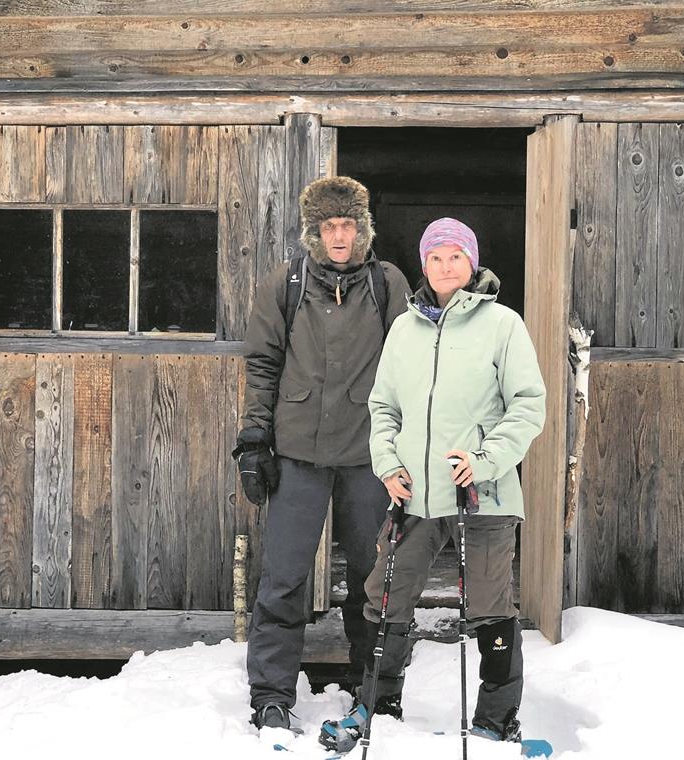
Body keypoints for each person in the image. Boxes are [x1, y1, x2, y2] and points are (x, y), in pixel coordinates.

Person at [320, 217, 546, 751]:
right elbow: (383, 407)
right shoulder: (405, 328)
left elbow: (528, 405)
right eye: (436, 257)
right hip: (414, 494)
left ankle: (495, 719)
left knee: (491, 604)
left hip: (481, 494)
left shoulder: (503, 325)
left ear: (472, 264)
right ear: (424, 265)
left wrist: (486, 459)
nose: (446, 266)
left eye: (456, 256)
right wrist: (388, 465)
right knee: (386, 595)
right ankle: (379, 704)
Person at [234, 176, 411, 731]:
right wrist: (253, 443)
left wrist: (410, 451)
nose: (340, 236)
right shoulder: (285, 284)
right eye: (329, 226)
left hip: (368, 456)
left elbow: (411, 370)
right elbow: (262, 365)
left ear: (363, 229)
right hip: (296, 455)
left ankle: (377, 692)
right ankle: (270, 695)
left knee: (372, 577)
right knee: (284, 578)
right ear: (314, 232)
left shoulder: (387, 285)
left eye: (349, 225)